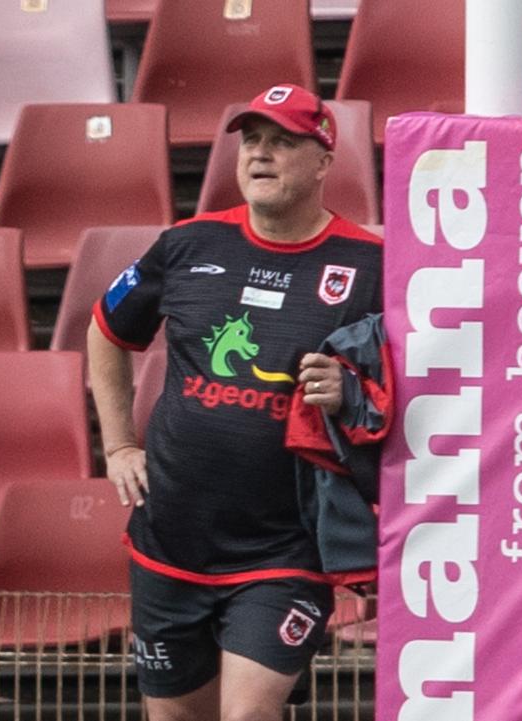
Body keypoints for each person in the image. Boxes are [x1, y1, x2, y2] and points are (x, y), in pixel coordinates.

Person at [87, 84, 383, 721]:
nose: (260, 155)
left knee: (246, 715)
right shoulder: (188, 245)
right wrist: (117, 445)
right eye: (251, 141)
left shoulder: (371, 265)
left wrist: (348, 391)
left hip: (285, 551)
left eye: (282, 142)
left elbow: (411, 394)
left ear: (325, 160)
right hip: (168, 543)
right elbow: (106, 332)